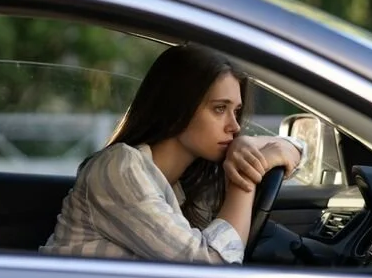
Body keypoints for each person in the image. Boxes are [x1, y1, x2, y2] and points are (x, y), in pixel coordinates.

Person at [40, 44, 305, 264]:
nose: (233, 126)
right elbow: (210, 266)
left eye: (235, 111)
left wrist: (257, 146)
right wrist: (245, 175)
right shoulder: (120, 167)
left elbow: (298, 152)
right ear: (179, 106)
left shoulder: (188, 181)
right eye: (219, 109)